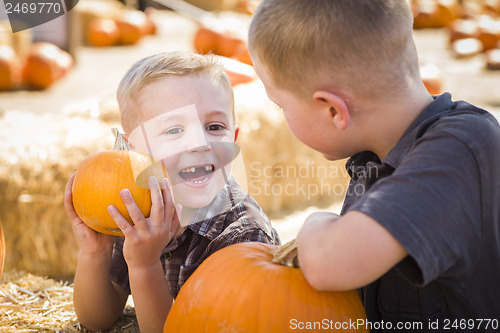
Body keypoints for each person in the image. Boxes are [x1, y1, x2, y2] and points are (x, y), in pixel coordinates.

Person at [248, 0, 500, 331]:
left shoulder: (461, 148)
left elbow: (329, 263)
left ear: (333, 110)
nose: (281, 113)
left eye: (280, 105)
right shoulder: (374, 159)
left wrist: (317, 222)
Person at [64, 51, 280, 332]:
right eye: (175, 129)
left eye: (215, 127)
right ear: (132, 151)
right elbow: (95, 320)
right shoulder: (135, 211)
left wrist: (144, 266)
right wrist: (94, 254)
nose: (199, 143)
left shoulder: (243, 238)